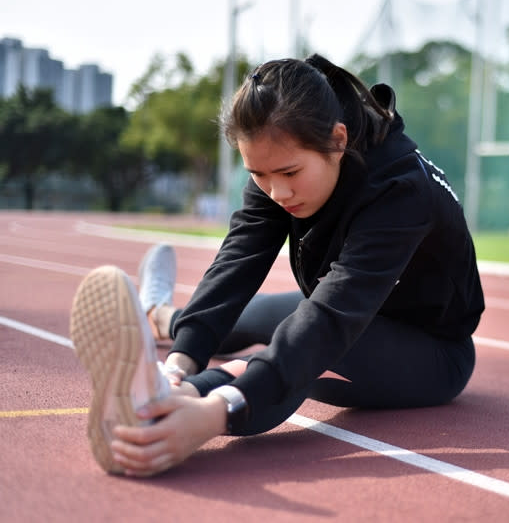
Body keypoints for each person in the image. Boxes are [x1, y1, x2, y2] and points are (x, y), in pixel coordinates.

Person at [69, 54, 485, 477]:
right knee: (266, 316)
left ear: (338, 140)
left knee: (303, 343)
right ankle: (159, 319)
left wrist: (211, 414)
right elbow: (239, 259)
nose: (277, 191)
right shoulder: (278, 162)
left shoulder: (401, 191)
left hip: (433, 350)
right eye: (259, 175)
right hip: (347, 308)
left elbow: (328, 321)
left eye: (288, 173)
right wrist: (182, 358)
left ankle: (159, 404)